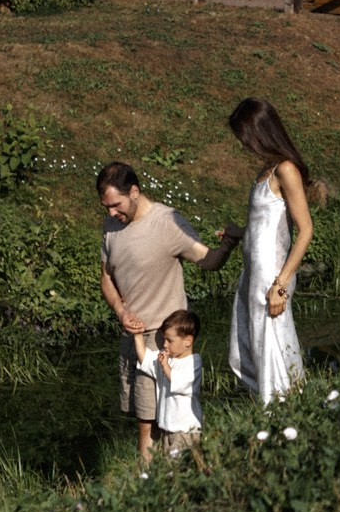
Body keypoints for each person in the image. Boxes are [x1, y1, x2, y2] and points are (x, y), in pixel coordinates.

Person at [97, 161, 238, 466]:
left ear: (134, 192)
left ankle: (153, 484)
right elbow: (106, 277)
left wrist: (229, 243)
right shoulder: (111, 226)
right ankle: (162, 483)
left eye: (116, 205)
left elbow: (209, 261)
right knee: (144, 418)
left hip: (164, 339)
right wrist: (121, 311)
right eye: (106, 207)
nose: (111, 213)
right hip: (132, 334)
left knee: (155, 422)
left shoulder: (167, 222)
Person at [225, 99, 322, 402]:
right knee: (249, 344)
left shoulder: (286, 170)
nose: (244, 146)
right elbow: (265, 226)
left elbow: (305, 230)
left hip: (272, 274)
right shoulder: (266, 171)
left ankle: (282, 411)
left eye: (246, 138)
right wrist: (238, 233)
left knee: (272, 345)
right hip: (254, 271)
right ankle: (271, 410)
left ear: (260, 133)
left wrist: (280, 284)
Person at [152, 308, 204, 456]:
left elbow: (180, 382)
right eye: (164, 339)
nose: (165, 344)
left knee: (181, 469)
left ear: (188, 341)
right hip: (168, 428)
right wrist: (137, 336)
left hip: (185, 430)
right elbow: (146, 360)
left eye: (170, 340)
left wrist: (165, 366)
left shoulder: (194, 362)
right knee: (171, 469)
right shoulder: (171, 361)